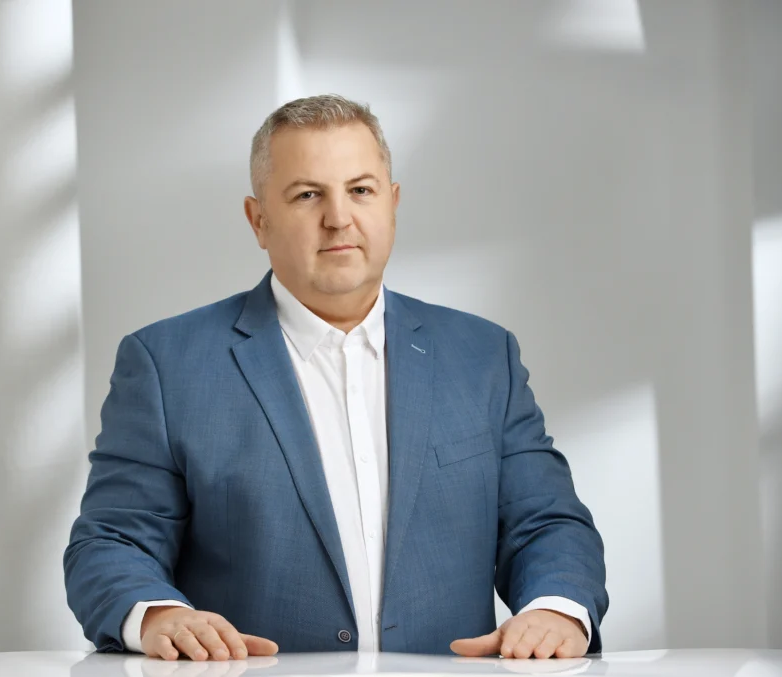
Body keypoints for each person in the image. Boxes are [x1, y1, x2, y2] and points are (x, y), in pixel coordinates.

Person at [64, 94, 608, 661]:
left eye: (361, 190)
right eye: (307, 195)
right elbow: (111, 541)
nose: (339, 218)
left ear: (393, 203)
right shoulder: (166, 364)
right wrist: (160, 615)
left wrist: (555, 609)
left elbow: (547, 524)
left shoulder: (482, 356)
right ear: (258, 220)